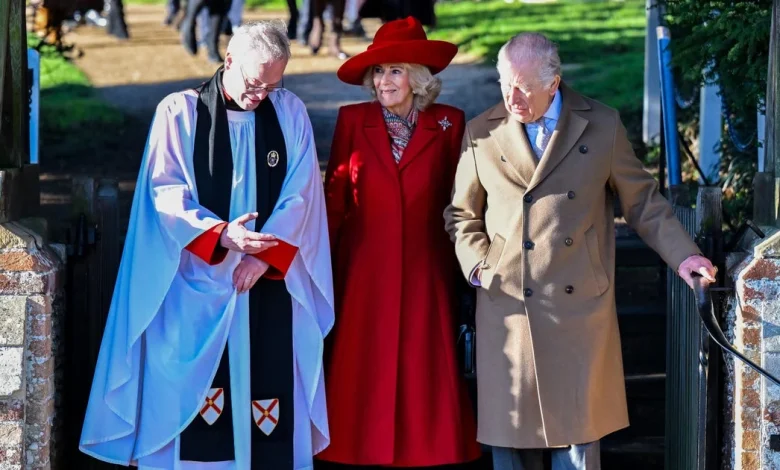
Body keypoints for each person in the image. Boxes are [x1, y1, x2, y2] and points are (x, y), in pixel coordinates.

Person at [443, 32, 718, 470]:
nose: (511, 97)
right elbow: (461, 215)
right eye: (504, 84)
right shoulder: (482, 131)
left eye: (523, 87)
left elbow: (643, 203)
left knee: (577, 443)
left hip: (577, 308)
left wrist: (685, 256)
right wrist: (480, 267)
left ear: (553, 82)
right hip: (508, 306)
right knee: (511, 446)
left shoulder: (601, 124)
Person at [79, 20, 334, 470]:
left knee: (267, 397)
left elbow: (302, 192)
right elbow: (165, 194)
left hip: (266, 284)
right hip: (195, 281)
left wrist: (264, 258)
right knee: (195, 408)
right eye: (255, 83)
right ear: (229, 60)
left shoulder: (289, 111)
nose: (261, 95)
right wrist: (221, 235)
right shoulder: (179, 113)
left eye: (272, 85)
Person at [317, 16, 482, 469]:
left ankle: (428, 452)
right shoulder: (352, 120)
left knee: (423, 365)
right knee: (362, 365)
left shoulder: (449, 122)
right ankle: (356, 450)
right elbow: (334, 201)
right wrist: (322, 267)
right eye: (378, 71)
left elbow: (460, 200)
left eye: (395, 70)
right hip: (363, 271)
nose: (383, 81)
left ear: (418, 77)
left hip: (427, 269)